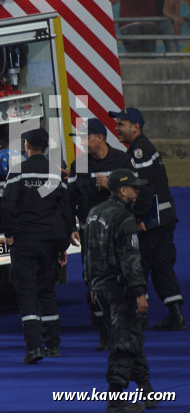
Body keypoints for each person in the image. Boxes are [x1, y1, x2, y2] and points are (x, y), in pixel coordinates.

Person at [83, 169, 160, 412]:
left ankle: (146, 390)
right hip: (120, 287)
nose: (138, 190)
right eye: (134, 187)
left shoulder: (94, 213)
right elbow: (130, 259)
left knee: (130, 335)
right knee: (125, 342)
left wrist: (91, 283)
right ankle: (115, 400)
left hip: (100, 287)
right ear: (123, 190)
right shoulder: (125, 219)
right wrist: (139, 291)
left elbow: (88, 253)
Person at [1, 128, 76, 364]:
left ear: (27, 146)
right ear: (45, 147)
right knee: (47, 291)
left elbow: (7, 205)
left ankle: (34, 348)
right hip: (50, 241)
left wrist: (9, 234)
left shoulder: (18, 172)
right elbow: (66, 210)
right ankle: (53, 345)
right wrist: (62, 245)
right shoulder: (55, 173)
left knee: (27, 293)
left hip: (25, 241)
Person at [109, 107, 185, 331]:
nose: (117, 128)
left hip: (152, 220)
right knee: (162, 266)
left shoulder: (139, 151)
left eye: (121, 124)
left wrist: (140, 218)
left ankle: (138, 317)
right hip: (165, 216)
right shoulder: (142, 148)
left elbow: (143, 188)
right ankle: (175, 313)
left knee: (138, 265)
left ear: (136, 127)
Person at [68, 118, 135, 350]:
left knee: (121, 277)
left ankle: (125, 330)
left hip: (117, 233)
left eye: (85, 137)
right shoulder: (79, 165)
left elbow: (136, 194)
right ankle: (104, 331)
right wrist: (71, 227)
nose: (82, 142)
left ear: (100, 138)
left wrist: (112, 185)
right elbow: (70, 199)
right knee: (93, 281)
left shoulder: (122, 160)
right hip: (91, 235)